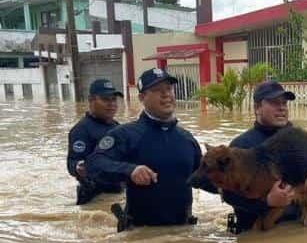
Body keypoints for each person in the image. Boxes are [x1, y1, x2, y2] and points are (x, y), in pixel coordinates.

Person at [86, 68, 213, 228]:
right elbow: (93, 164)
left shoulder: (187, 139)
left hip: (184, 234)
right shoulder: (125, 135)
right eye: (157, 90)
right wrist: (130, 170)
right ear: (142, 97)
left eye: (168, 89)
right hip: (141, 237)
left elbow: (205, 179)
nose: (166, 94)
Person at [221, 80, 307, 233]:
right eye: (274, 102)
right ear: (257, 108)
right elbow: (227, 195)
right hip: (254, 235)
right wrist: (267, 202)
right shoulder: (241, 147)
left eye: (284, 103)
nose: (281, 108)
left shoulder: (301, 141)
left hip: (295, 231)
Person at [67, 78, 124, 205]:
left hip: (117, 191)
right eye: (105, 99)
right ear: (91, 100)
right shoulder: (81, 130)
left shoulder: (117, 126)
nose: (112, 104)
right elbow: (72, 162)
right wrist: (78, 167)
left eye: (113, 99)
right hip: (94, 196)